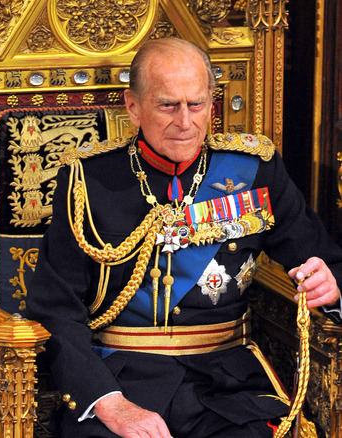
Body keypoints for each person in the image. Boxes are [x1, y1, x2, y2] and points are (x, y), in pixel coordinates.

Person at [25, 37, 342, 438]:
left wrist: (328, 286)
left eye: (196, 105)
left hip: (228, 386)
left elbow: (326, 262)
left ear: (212, 104)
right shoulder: (88, 181)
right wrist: (110, 403)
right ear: (133, 106)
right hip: (122, 380)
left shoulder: (254, 170)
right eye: (167, 105)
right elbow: (54, 309)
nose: (185, 121)